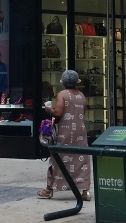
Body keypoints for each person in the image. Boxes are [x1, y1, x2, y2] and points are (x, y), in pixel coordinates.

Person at [39, 70, 91, 201]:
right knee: (82, 160)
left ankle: (49, 189)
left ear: (63, 82)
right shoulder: (81, 95)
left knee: (57, 158)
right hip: (80, 131)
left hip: (65, 132)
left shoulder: (62, 94)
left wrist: (50, 110)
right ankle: (85, 191)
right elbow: (83, 111)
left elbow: (58, 113)